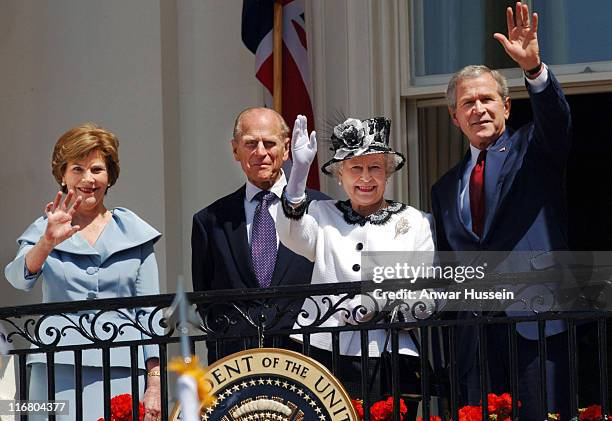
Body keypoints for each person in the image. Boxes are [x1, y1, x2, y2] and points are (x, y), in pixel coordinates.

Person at [430, 3, 572, 419]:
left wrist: (534, 71)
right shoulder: (443, 189)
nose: (479, 109)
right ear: (455, 117)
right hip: (474, 339)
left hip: (536, 326)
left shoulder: (533, 150)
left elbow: (557, 121)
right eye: (468, 103)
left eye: (488, 99)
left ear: (507, 107)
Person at [276, 114, 435, 420]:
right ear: (340, 175)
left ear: (387, 173)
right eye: (355, 168)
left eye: (375, 167)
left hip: (392, 354)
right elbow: (290, 234)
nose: (366, 178)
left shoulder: (415, 221)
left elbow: (425, 288)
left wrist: (386, 305)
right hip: (325, 351)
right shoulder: (321, 214)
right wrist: (296, 176)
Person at [4, 123, 162, 421]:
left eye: (97, 169)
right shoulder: (46, 228)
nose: (88, 179)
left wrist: (154, 384)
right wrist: (47, 242)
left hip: (122, 366)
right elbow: (16, 279)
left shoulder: (134, 232)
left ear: (109, 176)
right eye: (77, 169)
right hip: (55, 368)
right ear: (62, 176)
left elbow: (150, 315)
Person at [191, 107, 328, 363]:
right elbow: (205, 298)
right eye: (251, 143)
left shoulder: (322, 210)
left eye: (270, 143)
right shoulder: (209, 220)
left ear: (287, 148)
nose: (261, 152)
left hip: (307, 360)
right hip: (236, 363)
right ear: (235, 150)